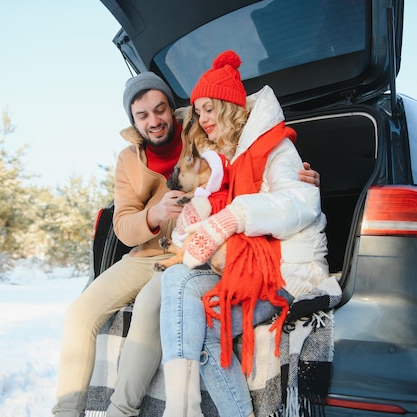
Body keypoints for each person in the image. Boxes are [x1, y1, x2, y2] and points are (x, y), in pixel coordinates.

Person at [52, 71, 321, 417]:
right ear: (133, 121)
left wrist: (302, 182)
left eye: (160, 109)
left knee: (153, 298)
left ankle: (122, 409)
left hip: (196, 250)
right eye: (142, 115)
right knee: (79, 312)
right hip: (147, 251)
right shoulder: (128, 160)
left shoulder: (200, 131)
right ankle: (65, 411)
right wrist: (154, 214)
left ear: (172, 108)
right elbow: (121, 226)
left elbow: (247, 163)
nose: (154, 120)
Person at [159, 50, 341, 417]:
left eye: (208, 109)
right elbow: (207, 221)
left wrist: (230, 218)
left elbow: (300, 202)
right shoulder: (230, 157)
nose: (202, 119)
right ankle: (181, 407)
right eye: (198, 112)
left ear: (228, 105)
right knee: (177, 277)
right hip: (250, 267)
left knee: (202, 315)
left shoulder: (275, 147)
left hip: (288, 270)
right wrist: (193, 219)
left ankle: (187, 410)